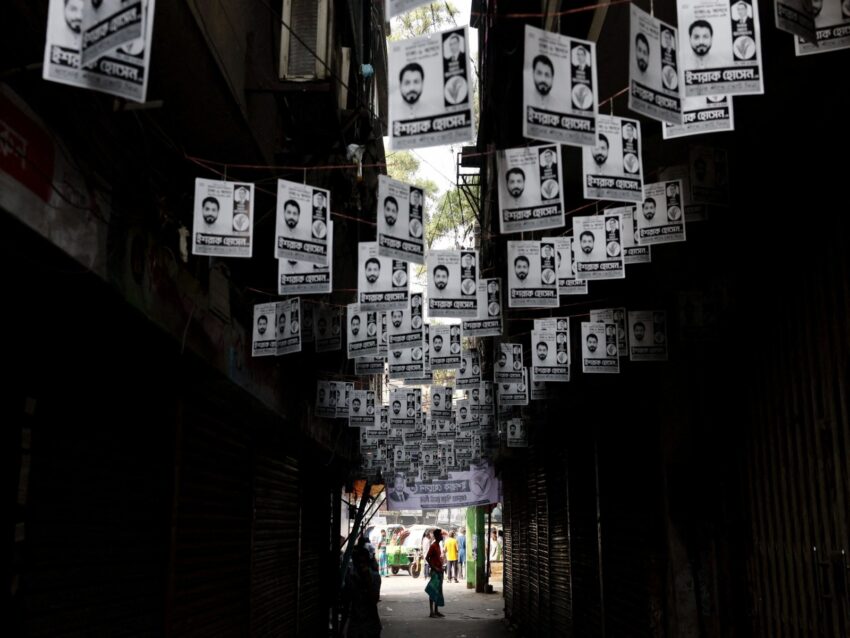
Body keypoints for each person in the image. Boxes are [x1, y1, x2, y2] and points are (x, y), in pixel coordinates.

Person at [343, 545, 382, 638]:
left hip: (371, 625)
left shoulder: (375, 577)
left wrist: (367, 581)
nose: (361, 565)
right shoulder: (351, 578)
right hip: (356, 626)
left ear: (367, 562)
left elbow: (374, 599)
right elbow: (346, 603)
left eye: (363, 562)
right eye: (358, 563)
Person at [425, 529, 445, 618]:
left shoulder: (438, 545)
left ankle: (436, 611)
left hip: (439, 571)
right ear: (437, 536)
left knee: (438, 591)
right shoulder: (433, 546)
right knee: (433, 591)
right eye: (440, 535)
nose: (442, 536)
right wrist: (434, 568)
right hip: (435, 572)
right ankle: (431, 612)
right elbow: (427, 558)